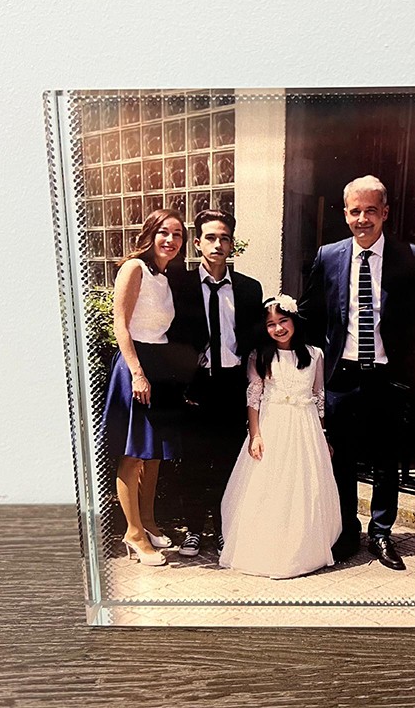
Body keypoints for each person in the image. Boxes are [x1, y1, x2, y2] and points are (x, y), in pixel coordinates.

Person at [299, 175, 415, 570]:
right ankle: (348, 532)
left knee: (387, 459)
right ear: (345, 214)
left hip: (387, 377)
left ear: (385, 213)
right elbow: (309, 313)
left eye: (371, 210)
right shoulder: (328, 256)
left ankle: (382, 533)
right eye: (356, 211)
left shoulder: (410, 257)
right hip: (342, 376)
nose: (363, 219)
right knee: (343, 459)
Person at [219, 296, 341, 579]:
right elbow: (254, 398)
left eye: (283, 321)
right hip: (273, 425)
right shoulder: (260, 356)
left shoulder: (314, 355)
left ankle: (303, 549)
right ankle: (269, 548)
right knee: (272, 486)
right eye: (271, 324)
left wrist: (323, 435)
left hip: (305, 428)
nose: (278, 328)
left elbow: (318, 397)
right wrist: (255, 435)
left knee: (304, 487)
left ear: (294, 320)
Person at [167, 209, 263, 557]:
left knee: (228, 461)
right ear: (197, 243)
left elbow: (255, 340)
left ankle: (224, 529)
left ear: (232, 244)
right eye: (210, 237)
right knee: (194, 460)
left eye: (224, 238)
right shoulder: (179, 285)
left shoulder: (249, 289)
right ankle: (194, 529)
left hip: (232, 385)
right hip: (197, 386)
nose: (217, 244)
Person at [102, 208, 187, 566]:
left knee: (153, 454)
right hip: (136, 363)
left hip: (159, 364)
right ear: (150, 234)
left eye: (178, 234)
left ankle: (148, 523)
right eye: (164, 232)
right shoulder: (134, 268)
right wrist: (137, 373)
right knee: (134, 452)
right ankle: (133, 534)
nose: (171, 240)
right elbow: (120, 324)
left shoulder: (164, 277)